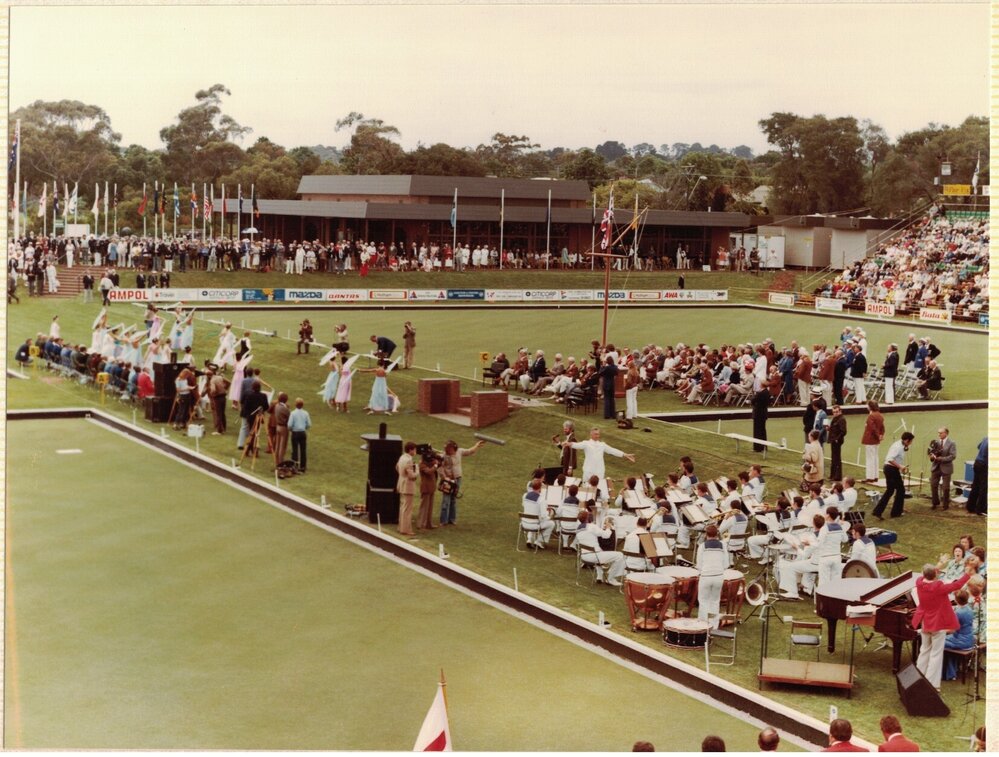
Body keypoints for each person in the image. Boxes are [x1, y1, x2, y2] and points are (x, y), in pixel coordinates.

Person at [912, 561, 974, 691]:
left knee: (924, 651)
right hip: (938, 624)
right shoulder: (939, 587)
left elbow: (924, 575)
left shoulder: (919, 582)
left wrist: (937, 568)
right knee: (936, 654)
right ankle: (932, 684)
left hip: (925, 622)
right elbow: (957, 585)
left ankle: (917, 679)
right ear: (935, 574)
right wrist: (967, 574)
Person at [566, 427, 636, 488]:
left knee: (598, 490)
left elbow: (612, 450)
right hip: (588, 471)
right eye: (595, 434)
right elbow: (577, 445)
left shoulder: (602, 445)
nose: (597, 436)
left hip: (599, 472)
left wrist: (624, 454)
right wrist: (569, 444)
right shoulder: (586, 443)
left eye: (598, 434)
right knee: (586, 489)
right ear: (591, 434)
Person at [439, 439, 485, 526]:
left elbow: (469, 451)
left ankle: (452, 519)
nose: (447, 451)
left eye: (449, 449)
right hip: (447, 480)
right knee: (446, 500)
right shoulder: (443, 456)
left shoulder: (459, 451)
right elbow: (440, 468)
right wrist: (445, 478)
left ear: (454, 448)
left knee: (453, 499)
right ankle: (443, 521)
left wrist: (477, 446)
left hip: (457, 479)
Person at [574, 510, 625, 586]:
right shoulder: (592, 526)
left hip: (583, 556)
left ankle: (599, 576)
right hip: (594, 556)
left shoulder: (578, 529)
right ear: (587, 518)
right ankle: (611, 579)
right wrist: (608, 527)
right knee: (620, 555)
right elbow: (606, 535)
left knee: (599, 550)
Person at [872, 432, 914, 520]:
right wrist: (900, 467)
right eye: (911, 441)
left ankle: (878, 511)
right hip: (891, 469)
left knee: (890, 490)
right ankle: (896, 512)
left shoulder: (900, 444)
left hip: (890, 469)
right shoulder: (898, 447)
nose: (911, 443)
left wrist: (900, 466)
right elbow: (889, 459)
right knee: (900, 490)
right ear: (907, 440)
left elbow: (897, 457)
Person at [696, 523, 729, 626]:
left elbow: (699, 565)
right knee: (715, 601)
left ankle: (703, 624)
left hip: (706, 577)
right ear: (717, 534)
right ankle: (713, 625)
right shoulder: (723, 545)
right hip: (718, 576)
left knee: (703, 601)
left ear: (706, 535)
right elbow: (726, 564)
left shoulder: (702, 546)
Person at [942, 589, 975, 681]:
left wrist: (940, 631)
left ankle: (949, 673)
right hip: (969, 639)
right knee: (946, 640)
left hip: (961, 642)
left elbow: (952, 630)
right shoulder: (969, 608)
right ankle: (952, 671)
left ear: (956, 600)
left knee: (940, 642)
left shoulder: (958, 613)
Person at [928, 427, 956, 511]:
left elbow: (953, 456)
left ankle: (945, 505)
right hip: (936, 467)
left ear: (946, 433)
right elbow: (931, 453)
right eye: (938, 433)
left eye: (940, 433)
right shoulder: (935, 442)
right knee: (933, 485)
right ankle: (935, 503)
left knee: (945, 487)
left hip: (946, 468)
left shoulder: (952, 443)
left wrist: (941, 459)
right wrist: (931, 456)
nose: (939, 434)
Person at [395, 442, 418, 537]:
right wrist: (417, 470)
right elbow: (412, 475)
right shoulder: (409, 460)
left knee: (403, 507)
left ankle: (401, 527)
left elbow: (397, 467)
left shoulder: (402, 457)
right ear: (410, 450)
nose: (415, 451)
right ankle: (406, 529)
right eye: (414, 449)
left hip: (401, 483)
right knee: (407, 509)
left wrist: (402, 475)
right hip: (408, 486)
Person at [861, 401, 885, 483]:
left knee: (870, 458)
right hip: (876, 440)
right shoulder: (880, 415)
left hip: (870, 439)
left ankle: (870, 477)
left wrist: (878, 435)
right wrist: (881, 435)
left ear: (870, 407)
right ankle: (875, 476)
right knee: (875, 457)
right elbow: (882, 427)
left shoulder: (871, 416)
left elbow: (872, 428)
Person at [417, 448, 439, 530]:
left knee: (430, 507)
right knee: (424, 507)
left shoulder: (430, 463)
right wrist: (435, 465)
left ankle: (428, 524)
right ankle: (421, 524)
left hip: (431, 487)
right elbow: (429, 472)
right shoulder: (422, 464)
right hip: (426, 487)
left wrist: (436, 462)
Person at [288, 397, 311, 473]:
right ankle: (303, 467)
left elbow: (289, 424)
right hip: (302, 432)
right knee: (303, 450)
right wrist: (304, 427)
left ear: (295, 404)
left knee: (295, 450)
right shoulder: (306, 413)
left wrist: (291, 430)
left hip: (295, 432)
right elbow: (309, 424)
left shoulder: (293, 413)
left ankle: (295, 466)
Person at [967, 437, 988, 516]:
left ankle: (970, 507)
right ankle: (980, 509)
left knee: (975, 486)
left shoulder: (986, 438)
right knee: (984, 488)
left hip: (977, 463)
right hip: (983, 465)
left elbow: (979, 446)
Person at [827, 404, 847, 482]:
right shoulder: (835, 418)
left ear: (840, 411)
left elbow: (843, 431)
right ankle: (833, 475)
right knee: (834, 458)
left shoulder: (841, 419)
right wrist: (829, 429)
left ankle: (837, 476)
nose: (835, 413)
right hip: (833, 440)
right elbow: (835, 429)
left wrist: (837, 439)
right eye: (834, 412)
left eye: (836, 412)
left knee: (836, 458)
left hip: (837, 441)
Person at [272, 392, 290, 464]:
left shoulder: (277, 406)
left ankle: (276, 460)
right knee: (282, 446)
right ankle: (280, 462)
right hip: (283, 427)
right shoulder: (285, 409)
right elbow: (289, 416)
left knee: (277, 445)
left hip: (278, 426)